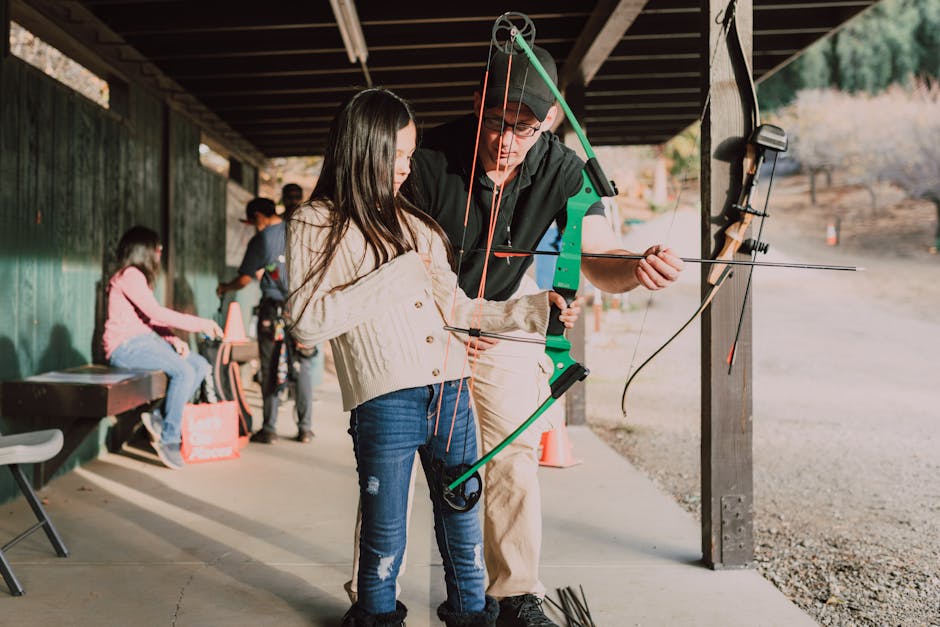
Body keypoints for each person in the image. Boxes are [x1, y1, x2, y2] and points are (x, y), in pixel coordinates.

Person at [403, 45, 686, 626]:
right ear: (478, 97)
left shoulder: (563, 169)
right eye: (498, 121)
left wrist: (636, 266)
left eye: (525, 128)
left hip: (503, 323)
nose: (507, 140)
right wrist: (450, 324)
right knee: (391, 454)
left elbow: (598, 251)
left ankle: (515, 594)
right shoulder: (427, 157)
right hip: (421, 319)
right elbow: (396, 259)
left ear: (549, 122)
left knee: (513, 451)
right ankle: (375, 591)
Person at [285, 88, 580, 627]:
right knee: (385, 530)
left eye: (409, 154)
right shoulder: (315, 222)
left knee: (464, 529)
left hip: (452, 391)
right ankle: (376, 617)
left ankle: (472, 617)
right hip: (385, 401)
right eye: (396, 155)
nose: (406, 167)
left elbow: (458, 307)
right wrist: (397, 273)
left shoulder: (417, 225)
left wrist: (535, 311)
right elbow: (306, 321)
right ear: (360, 148)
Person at [103, 226, 222, 469]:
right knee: (184, 371)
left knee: (198, 365)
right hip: (125, 348)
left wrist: (173, 339)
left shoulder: (139, 279)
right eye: (157, 248)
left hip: (145, 342)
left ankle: (159, 418)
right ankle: (169, 439)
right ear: (144, 250)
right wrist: (200, 324)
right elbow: (155, 312)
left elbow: (151, 320)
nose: (159, 254)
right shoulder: (130, 275)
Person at [217, 196, 317, 444]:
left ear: (259, 217)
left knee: (271, 365)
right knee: (302, 366)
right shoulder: (300, 231)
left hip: (274, 312)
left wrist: (225, 288)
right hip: (303, 310)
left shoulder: (263, 239)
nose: (254, 227)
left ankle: (269, 428)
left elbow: (244, 279)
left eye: (253, 222)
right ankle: (305, 429)